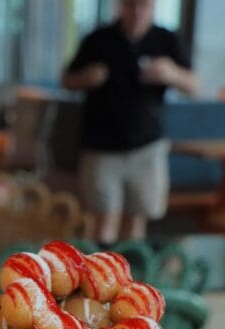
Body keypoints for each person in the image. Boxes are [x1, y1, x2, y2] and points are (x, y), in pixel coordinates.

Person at [62, 0, 197, 245]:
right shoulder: (98, 39)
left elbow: (193, 85)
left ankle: (129, 277)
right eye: (131, 6)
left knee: (136, 221)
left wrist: (171, 73)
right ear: (121, 7)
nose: (137, 12)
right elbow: (67, 79)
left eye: (143, 6)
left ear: (153, 7)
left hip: (147, 144)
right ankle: (100, 276)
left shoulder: (166, 39)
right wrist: (87, 77)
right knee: (103, 221)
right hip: (101, 145)